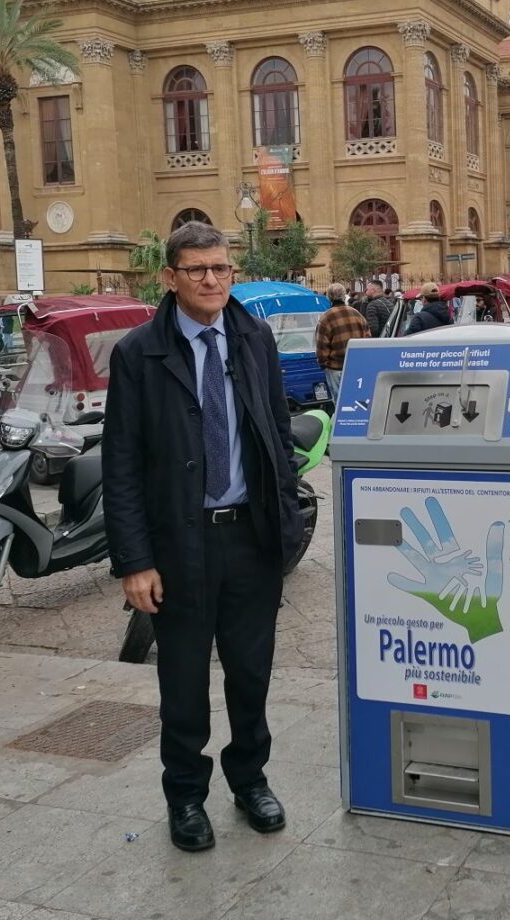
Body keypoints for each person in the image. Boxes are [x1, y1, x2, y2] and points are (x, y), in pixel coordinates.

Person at [103, 221, 303, 853]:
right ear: (170, 278)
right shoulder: (140, 353)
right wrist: (135, 560)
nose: (212, 280)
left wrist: (287, 520)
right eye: (197, 270)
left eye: (220, 268)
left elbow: (275, 430)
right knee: (183, 684)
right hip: (179, 546)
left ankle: (251, 779)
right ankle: (186, 796)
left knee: (251, 673)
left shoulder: (254, 337)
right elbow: (122, 465)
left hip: (250, 538)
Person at [315, 282, 368, 402]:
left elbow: (321, 345)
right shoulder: (357, 314)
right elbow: (367, 338)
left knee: (340, 402)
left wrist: (323, 364)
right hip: (356, 365)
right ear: (344, 296)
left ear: (328, 297)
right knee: (357, 400)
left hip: (335, 367)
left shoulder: (326, 317)